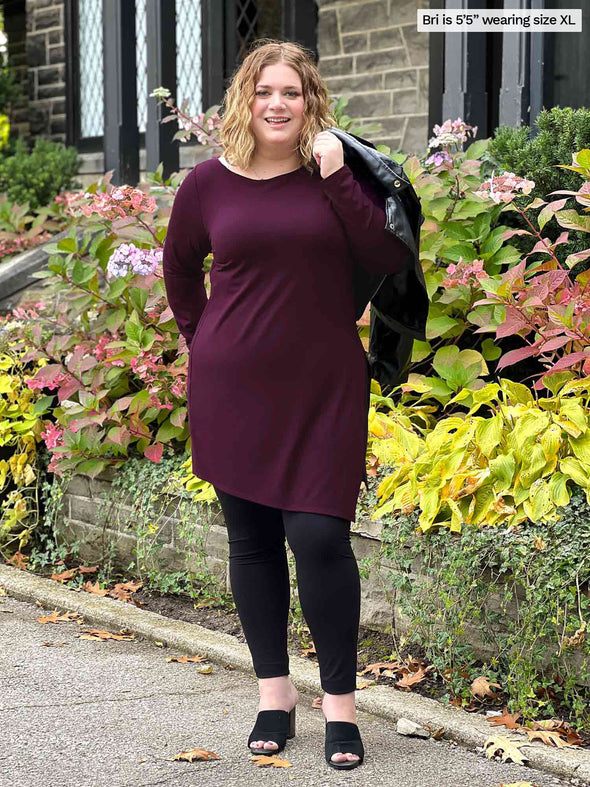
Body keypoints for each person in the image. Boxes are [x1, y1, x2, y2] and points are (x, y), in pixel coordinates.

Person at [162, 38, 408, 771]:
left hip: (324, 384)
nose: (277, 103)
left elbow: (389, 256)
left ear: (311, 104)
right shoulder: (207, 184)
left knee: (321, 537)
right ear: (246, 98)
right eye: (264, 90)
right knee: (252, 541)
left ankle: (340, 704)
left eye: (292, 93)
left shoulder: (336, 175)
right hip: (233, 385)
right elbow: (179, 268)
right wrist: (201, 340)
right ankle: (276, 693)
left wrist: (334, 178)